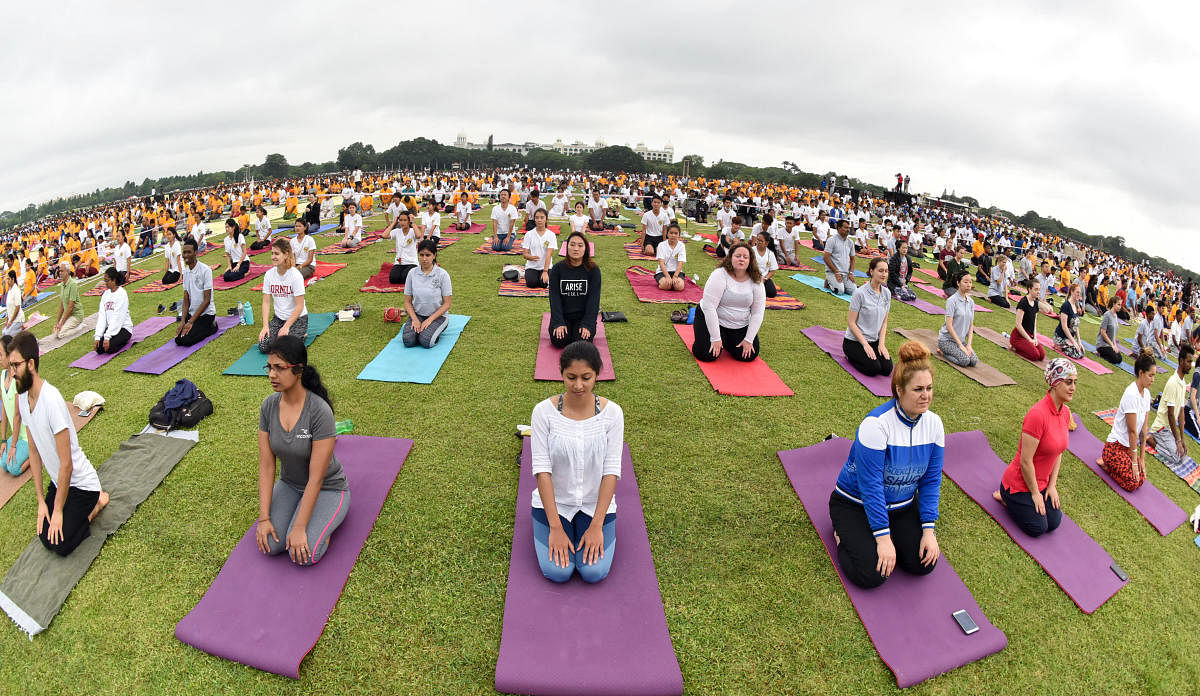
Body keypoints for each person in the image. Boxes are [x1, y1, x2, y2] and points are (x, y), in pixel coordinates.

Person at [829, 340, 943, 589]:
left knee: (923, 562)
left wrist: (928, 531)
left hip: (901, 506)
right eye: (918, 389)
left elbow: (931, 481)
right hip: (854, 503)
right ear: (899, 390)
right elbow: (870, 487)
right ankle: (841, 535)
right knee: (872, 573)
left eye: (929, 388)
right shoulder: (876, 425)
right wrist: (882, 537)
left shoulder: (934, 425)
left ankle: (892, 538)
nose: (926, 396)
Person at [8, 331, 108, 556]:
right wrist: (42, 504)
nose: (12, 372)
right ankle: (64, 510)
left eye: (16, 365)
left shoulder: (51, 401)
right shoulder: (23, 398)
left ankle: (97, 503)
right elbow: (33, 451)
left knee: (60, 545)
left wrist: (58, 512)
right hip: (60, 483)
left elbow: (67, 465)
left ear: (31, 364)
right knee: (44, 531)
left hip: (82, 485)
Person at [530, 340, 622, 583]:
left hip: (594, 505)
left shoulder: (613, 413)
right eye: (571, 377)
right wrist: (556, 528)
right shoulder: (542, 412)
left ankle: (589, 527)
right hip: (554, 504)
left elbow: (611, 471)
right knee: (558, 572)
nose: (578, 385)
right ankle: (554, 525)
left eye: (586, 377)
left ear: (597, 375)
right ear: (561, 374)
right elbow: (542, 471)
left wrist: (596, 526)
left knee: (594, 572)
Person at [255, 335, 349, 567]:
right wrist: (264, 518)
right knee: (271, 543)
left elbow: (316, 478)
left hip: (328, 488)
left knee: (304, 554)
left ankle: (324, 529)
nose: (272, 375)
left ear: (298, 370)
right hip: (289, 484)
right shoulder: (268, 406)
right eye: (269, 368)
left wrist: (299, 528)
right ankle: (297, 516)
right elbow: (267, 466)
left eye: (279, 368)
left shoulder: (319, 412)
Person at [993, 359, 1077, 537]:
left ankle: (1025, 502)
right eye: (1068, 382)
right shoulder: (1038, 415)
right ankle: (1005, 496)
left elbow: (1058, 452)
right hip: (1019, 484)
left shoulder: (1066, 412)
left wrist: (1052, 486)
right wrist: (1035, 494)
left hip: (1042, 483)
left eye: (1074, 383)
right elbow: (1025, 460)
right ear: (1055, 383)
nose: (1073, 387)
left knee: (1054, 522)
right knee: (1038, 527)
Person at [693, 243, 764, 363]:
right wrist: (715, 338)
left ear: (750, 260)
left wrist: (748, 339)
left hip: (739, 324)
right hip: (713, 317)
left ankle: (726, 341)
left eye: (745, 257)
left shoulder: (756, 280)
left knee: (748, 355)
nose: (741, 259)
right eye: (738, 256)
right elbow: (709, 307)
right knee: (706, 354)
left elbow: (758, 312)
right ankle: (706, 335)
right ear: (730, 257)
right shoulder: (720, 274)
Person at [1100, 351, 1155, 491]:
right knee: (1132, 483)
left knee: (1141, 478)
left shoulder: (1147, 395)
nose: (1153, 379)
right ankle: (1107, 463)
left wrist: (1141, 459)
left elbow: (1144, 430)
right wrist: (1134, 463)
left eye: (1154, 376)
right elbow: (1132, 432)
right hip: (1115, 447)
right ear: (1141, 373)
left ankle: (1114, 465)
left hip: (1128, 449)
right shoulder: (1131, 394)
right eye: (1151, 375)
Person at [1148, 344, 1197, 481]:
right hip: (1161, 428)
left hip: (1169, 429)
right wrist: (1177, 440)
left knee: (1182, 454)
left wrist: (1182, 439)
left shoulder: (1182, 383)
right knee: (1176, 458)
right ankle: (1151, 440)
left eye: (1191, 362)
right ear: (1181, 361)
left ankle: (1164, 442)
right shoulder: (1173, 382)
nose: (1190, 365)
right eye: (1188, 361)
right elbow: (1171, 415)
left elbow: (1181, 414)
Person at [548, 232, 601, 348]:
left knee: (582, 343)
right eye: (572, 245)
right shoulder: (557, 269)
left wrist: (587, 324)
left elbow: (594, 300)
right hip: (563, 316)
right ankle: (564, 328)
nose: (576, 248)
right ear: (567, 247)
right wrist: (558, 322)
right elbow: (554, 298)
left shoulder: (593, 270)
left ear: (586, 248)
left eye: (580, 245)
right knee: (559, 340)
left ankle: (579, 330)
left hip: (583, 317)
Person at [844, 258, 894, 377]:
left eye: (886, 271)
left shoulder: (887, 293)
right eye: (880, 270)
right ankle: (850, 356)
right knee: (873, 368)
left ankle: (871, 351)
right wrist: (865, 345)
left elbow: (884, 322)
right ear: (872, 271)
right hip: (855, 341)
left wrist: (881, 344)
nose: (884, 274)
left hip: (874, 341)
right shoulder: (859, 293)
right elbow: (851, 322)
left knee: (887, 369)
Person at [257, 239, 309, 353]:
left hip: (297, 319)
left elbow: (299, 306)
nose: (273, 257)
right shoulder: (269, 275)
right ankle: (288, 335)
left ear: (286, 254)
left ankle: (301, 334)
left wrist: (286, 327)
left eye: (277, 254)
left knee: (285, 349)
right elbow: (266, 302)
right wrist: (265, 326)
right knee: (263, 346)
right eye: (272, 253)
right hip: (279, 318)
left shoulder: (295, 275)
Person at [402, 239, 453, 348]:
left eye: (428, 255)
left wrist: (429, 320)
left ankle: (431, 332)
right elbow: (407, 302)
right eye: (421, 255)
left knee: (425, 341)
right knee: (408, 341)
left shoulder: (443, 274)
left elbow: (447, 304)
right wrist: (415, 319)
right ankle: (419, 330)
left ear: (434, 255)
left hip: (438, 316)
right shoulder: (412, 273)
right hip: (418, 314)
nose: (424, 259)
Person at [175, 238, 218, 347]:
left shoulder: (205, 270)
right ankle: (196, 325)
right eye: (184, 252)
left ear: (196, 253)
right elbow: (186, 299)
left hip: (206, 314)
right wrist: (183, 321)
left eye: (189, 252)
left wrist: (190, 322)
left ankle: (212, 327)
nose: (186, 255)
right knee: (178, 339)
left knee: (187, 341)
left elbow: (207, 300)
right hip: (193, 314)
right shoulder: (186, 272)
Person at [0, 335, 29, 476]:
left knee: (14, 469)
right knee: (3, 464)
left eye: (0, 355)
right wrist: (4, 440)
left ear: (9, 355)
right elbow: (4, 409)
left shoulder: (17, 378)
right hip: (17, 435)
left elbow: (17, 416)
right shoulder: (2, 376)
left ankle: (37, 453)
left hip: (27, 436)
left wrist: (13, 446)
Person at [938, 271, 979, 367]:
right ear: (958, 283)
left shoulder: (971, 302)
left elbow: (971, 325)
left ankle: (959, 349)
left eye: (970, 282)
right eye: (965, 282)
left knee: (973, 361)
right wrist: (961, 346)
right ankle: (943, 352)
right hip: (947, 340)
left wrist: (968, 345)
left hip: (962, 340)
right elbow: (949, 326)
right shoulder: (952, 301)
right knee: (965, 361)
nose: (969, 284)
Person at [93, 268, 132, 354]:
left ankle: (125, 340)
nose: (105, 283)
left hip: (123, 327)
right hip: (111, 327)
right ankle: (110, 338)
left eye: (107, 281)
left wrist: (107, 337)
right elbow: (102, 317)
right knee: (99, 348)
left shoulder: (122, 294)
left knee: (110, 348)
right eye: (104, 280)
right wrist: (98, 337)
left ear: (113, 280)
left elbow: (118, 317)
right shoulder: (105, 295)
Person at [1010, 278, 1047, 362]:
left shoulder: (1036, 304)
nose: (1038, 292)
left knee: (1042, 356)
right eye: (1036, 289)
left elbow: (1034, 323)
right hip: (1019, 337)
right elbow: (1018, 325)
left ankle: (1025, 346)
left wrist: (1035, 338)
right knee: (1035, 355)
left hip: (1030, 335)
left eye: (1039, 289)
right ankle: (1015, 348)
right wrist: (1029, 340)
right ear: (1029, 289)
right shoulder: (1023, 302)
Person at [521, 209, 557, 289]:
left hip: (546, 267)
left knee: (544, 284)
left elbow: (549, 254)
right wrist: (530, 257)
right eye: (537, 218)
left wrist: (545, 271)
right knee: (531, 283)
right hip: (532, 266)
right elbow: (525, 254)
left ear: (546, 219)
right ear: (534, 219)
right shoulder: (529, 234)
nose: (539, 220)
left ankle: (543, 275)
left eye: (542, 217)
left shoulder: (551, 235)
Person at [382, 210, 420, 285]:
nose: (402, 222)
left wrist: (413, 222)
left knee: (404, 277)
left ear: (409, 221)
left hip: (411, 262)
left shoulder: (412, 231)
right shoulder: (397, 231)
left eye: (405, 220)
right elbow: (384, 235)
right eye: (401, 220)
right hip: (399, 263)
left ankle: (415, 273)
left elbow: (418, 235)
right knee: (393, 279)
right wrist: (394, 222)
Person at [51, 262, 84, 340]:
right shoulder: (62, 285)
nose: (60, 273)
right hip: (69, 315)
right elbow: (62, 305)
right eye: (60, 271)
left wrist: (62, 323)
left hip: (76, 315)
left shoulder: (72, 284)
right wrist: (57, 322)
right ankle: (69, 326)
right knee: (55, 333)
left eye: (62, 271)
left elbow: (70, 307)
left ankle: (79, 327)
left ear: (68, 272)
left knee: (61, 334)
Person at [823, 220, 856, 295]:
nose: (848, 230)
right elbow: (826, 258)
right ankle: (828, 281)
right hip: (833, 272)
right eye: (845, 228)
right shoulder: (831, 240)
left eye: (848, 228)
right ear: (838, 228)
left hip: (846, 274)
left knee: (854, 291)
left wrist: (851, 273)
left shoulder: (850, 242)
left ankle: (840, 284)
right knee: (840, 291)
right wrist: (836, 272)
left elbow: (853, 259)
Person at [1054, 283, 1085, 359]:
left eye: (1079, 293)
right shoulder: (1066, 305)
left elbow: (1076, 326)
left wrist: (1079, 342)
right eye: (1077, 292)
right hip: (1061, 337)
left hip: (1069, 338)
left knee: (1081, 352)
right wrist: (1074, 342)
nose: (1079, 294)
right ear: (1071, 292)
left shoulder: (1075, 306)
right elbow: (1064, 327)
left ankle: (1067, 345)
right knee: (1077, 354)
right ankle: (1058, 345)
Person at [654, 223, 687, 292]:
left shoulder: (681, 246)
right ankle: (664, 282)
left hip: (676, 272)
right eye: (671, 233)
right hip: (662, 272)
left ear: (679, 235)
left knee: (679, 287)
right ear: (667, 234)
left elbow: (680, 262)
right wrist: (667, 276)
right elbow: (661, 263)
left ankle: (673, 283)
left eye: (676, 233)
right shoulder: (661, 245)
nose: (673, 235)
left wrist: (675, 276)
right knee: (666, 286)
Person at [751, 230, 780, 298]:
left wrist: (765, 279)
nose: (758, 242)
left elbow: (772, 271)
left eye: (761, 241)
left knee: (772, 293)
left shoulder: (770, 254)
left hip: (764, 278)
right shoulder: (751, 250)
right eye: (758, 240)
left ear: (766, 243)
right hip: (751, 277)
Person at [1095, 297, 1124, 365]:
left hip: (1110, 345)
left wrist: (1115, 345)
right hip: (1102, 344)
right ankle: (1100, 353)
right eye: (1118, 304)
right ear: (1113, 304)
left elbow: (1114, 334)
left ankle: (1102, 354)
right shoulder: (1107, 315)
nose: (1120, 307)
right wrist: (1112, 345)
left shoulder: (1115, 316)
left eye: (1120, 305)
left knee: (1119, 359)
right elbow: (1103, 332)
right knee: (1115, 359)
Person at [221, 218, 250, 283]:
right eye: (226, 227)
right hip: (234, 263)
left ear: (233, 227)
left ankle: (246, 273)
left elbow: (244, 252)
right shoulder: (226, 239)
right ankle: (239, 272)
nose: (226, 229)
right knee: (226, 277)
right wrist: (229, 266)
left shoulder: (240, 236)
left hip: (243, 262)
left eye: (228, 227)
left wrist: (238, 265)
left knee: (232, 277)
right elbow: (227, 255)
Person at [2, 271, 25, 339]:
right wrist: (6, 320)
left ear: (13, 279)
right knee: (3, 333)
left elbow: (17, 308)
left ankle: (21, 329)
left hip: (18, 319)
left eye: (8, 279)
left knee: (7, 334)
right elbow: (8, 308)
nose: (7, 281)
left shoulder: (16, 290)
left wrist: (11, 321)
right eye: (7, 279)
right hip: (12, 320)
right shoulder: (9, 290)